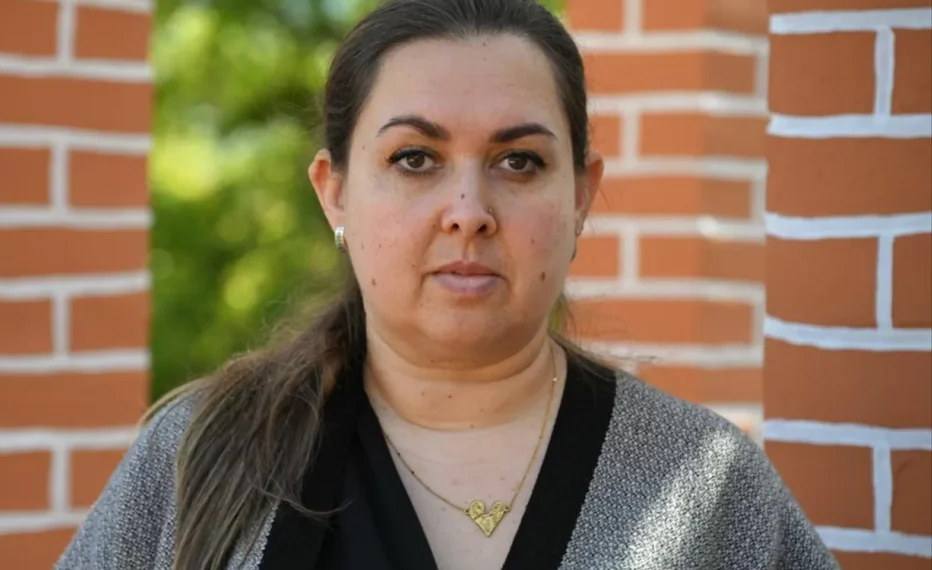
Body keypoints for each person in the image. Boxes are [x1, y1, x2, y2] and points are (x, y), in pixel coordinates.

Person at [56, 0, 840, 568]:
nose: (468, 211)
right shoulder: (202, 456)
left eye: (519, 161)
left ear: (580, 195)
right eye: (415, 159)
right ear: (334, 192)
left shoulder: (704, 485)